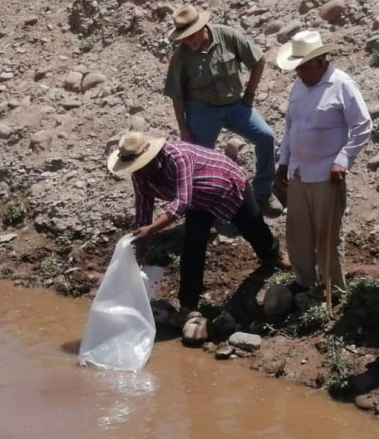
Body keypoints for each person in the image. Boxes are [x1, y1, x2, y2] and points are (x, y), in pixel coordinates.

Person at [107, 132, 291, 324]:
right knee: (192, 246)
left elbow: (182, 201)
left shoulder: (176, 157)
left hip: (225, 183)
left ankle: (273, 253)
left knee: (252, 226)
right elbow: (143, 208)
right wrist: (140, 248)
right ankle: (189, 305)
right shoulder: (141, 177)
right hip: (198, 201)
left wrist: (152, 230)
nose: (138, 171)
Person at [274, 30, 372, 296]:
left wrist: (343, 160)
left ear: (318, 62)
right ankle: (304, 279)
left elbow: (363, 126)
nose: (299, 73)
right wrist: (283, 161)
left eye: (303, 67)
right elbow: (290, 126)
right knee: (298, 232)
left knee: (328, 236)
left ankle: (333, 287)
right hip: (298, 172)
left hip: (327, 175)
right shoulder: (299, 86)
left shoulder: (342, 85)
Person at [163, 3, 283, 217]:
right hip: (202, 109)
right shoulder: (181, 56)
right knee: (199, 158)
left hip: (236, 105)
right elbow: (177, 95)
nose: (188, 42)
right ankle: (209, 204)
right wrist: (183, 129)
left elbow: (258, 60)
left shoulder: (227, 36)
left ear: (203, 28)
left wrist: (250, 94)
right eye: (184, 38)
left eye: (191, 36)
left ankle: (263, 193)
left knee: (266, 137)